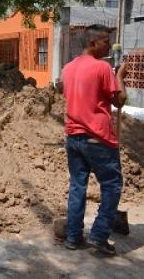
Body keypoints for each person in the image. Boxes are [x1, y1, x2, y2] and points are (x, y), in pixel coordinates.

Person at [61, 24, 127, 255]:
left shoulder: (68, 68)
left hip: (73, 137)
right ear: (92, 43)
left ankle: (73, 237)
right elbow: (120, 101)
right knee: (112, 186)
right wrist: (119, 76)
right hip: (98, 138)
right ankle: (99, 236)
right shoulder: (102, 68)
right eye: (105, 43)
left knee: (78, 186)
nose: (108, 47)